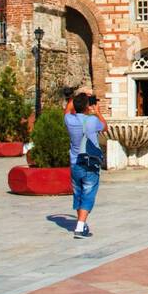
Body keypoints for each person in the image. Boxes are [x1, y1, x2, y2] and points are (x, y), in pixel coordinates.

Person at [65, 91, 106, 238]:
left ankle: (80, 223)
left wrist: (76, 96)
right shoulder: (92, 121)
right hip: (89, 163)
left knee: (79, 193)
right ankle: (80, 227)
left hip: (75, 163)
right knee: (88, 194)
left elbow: (68, 109)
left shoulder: (69, 120)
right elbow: (105, 127)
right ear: (88, 107)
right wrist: (98, 112)